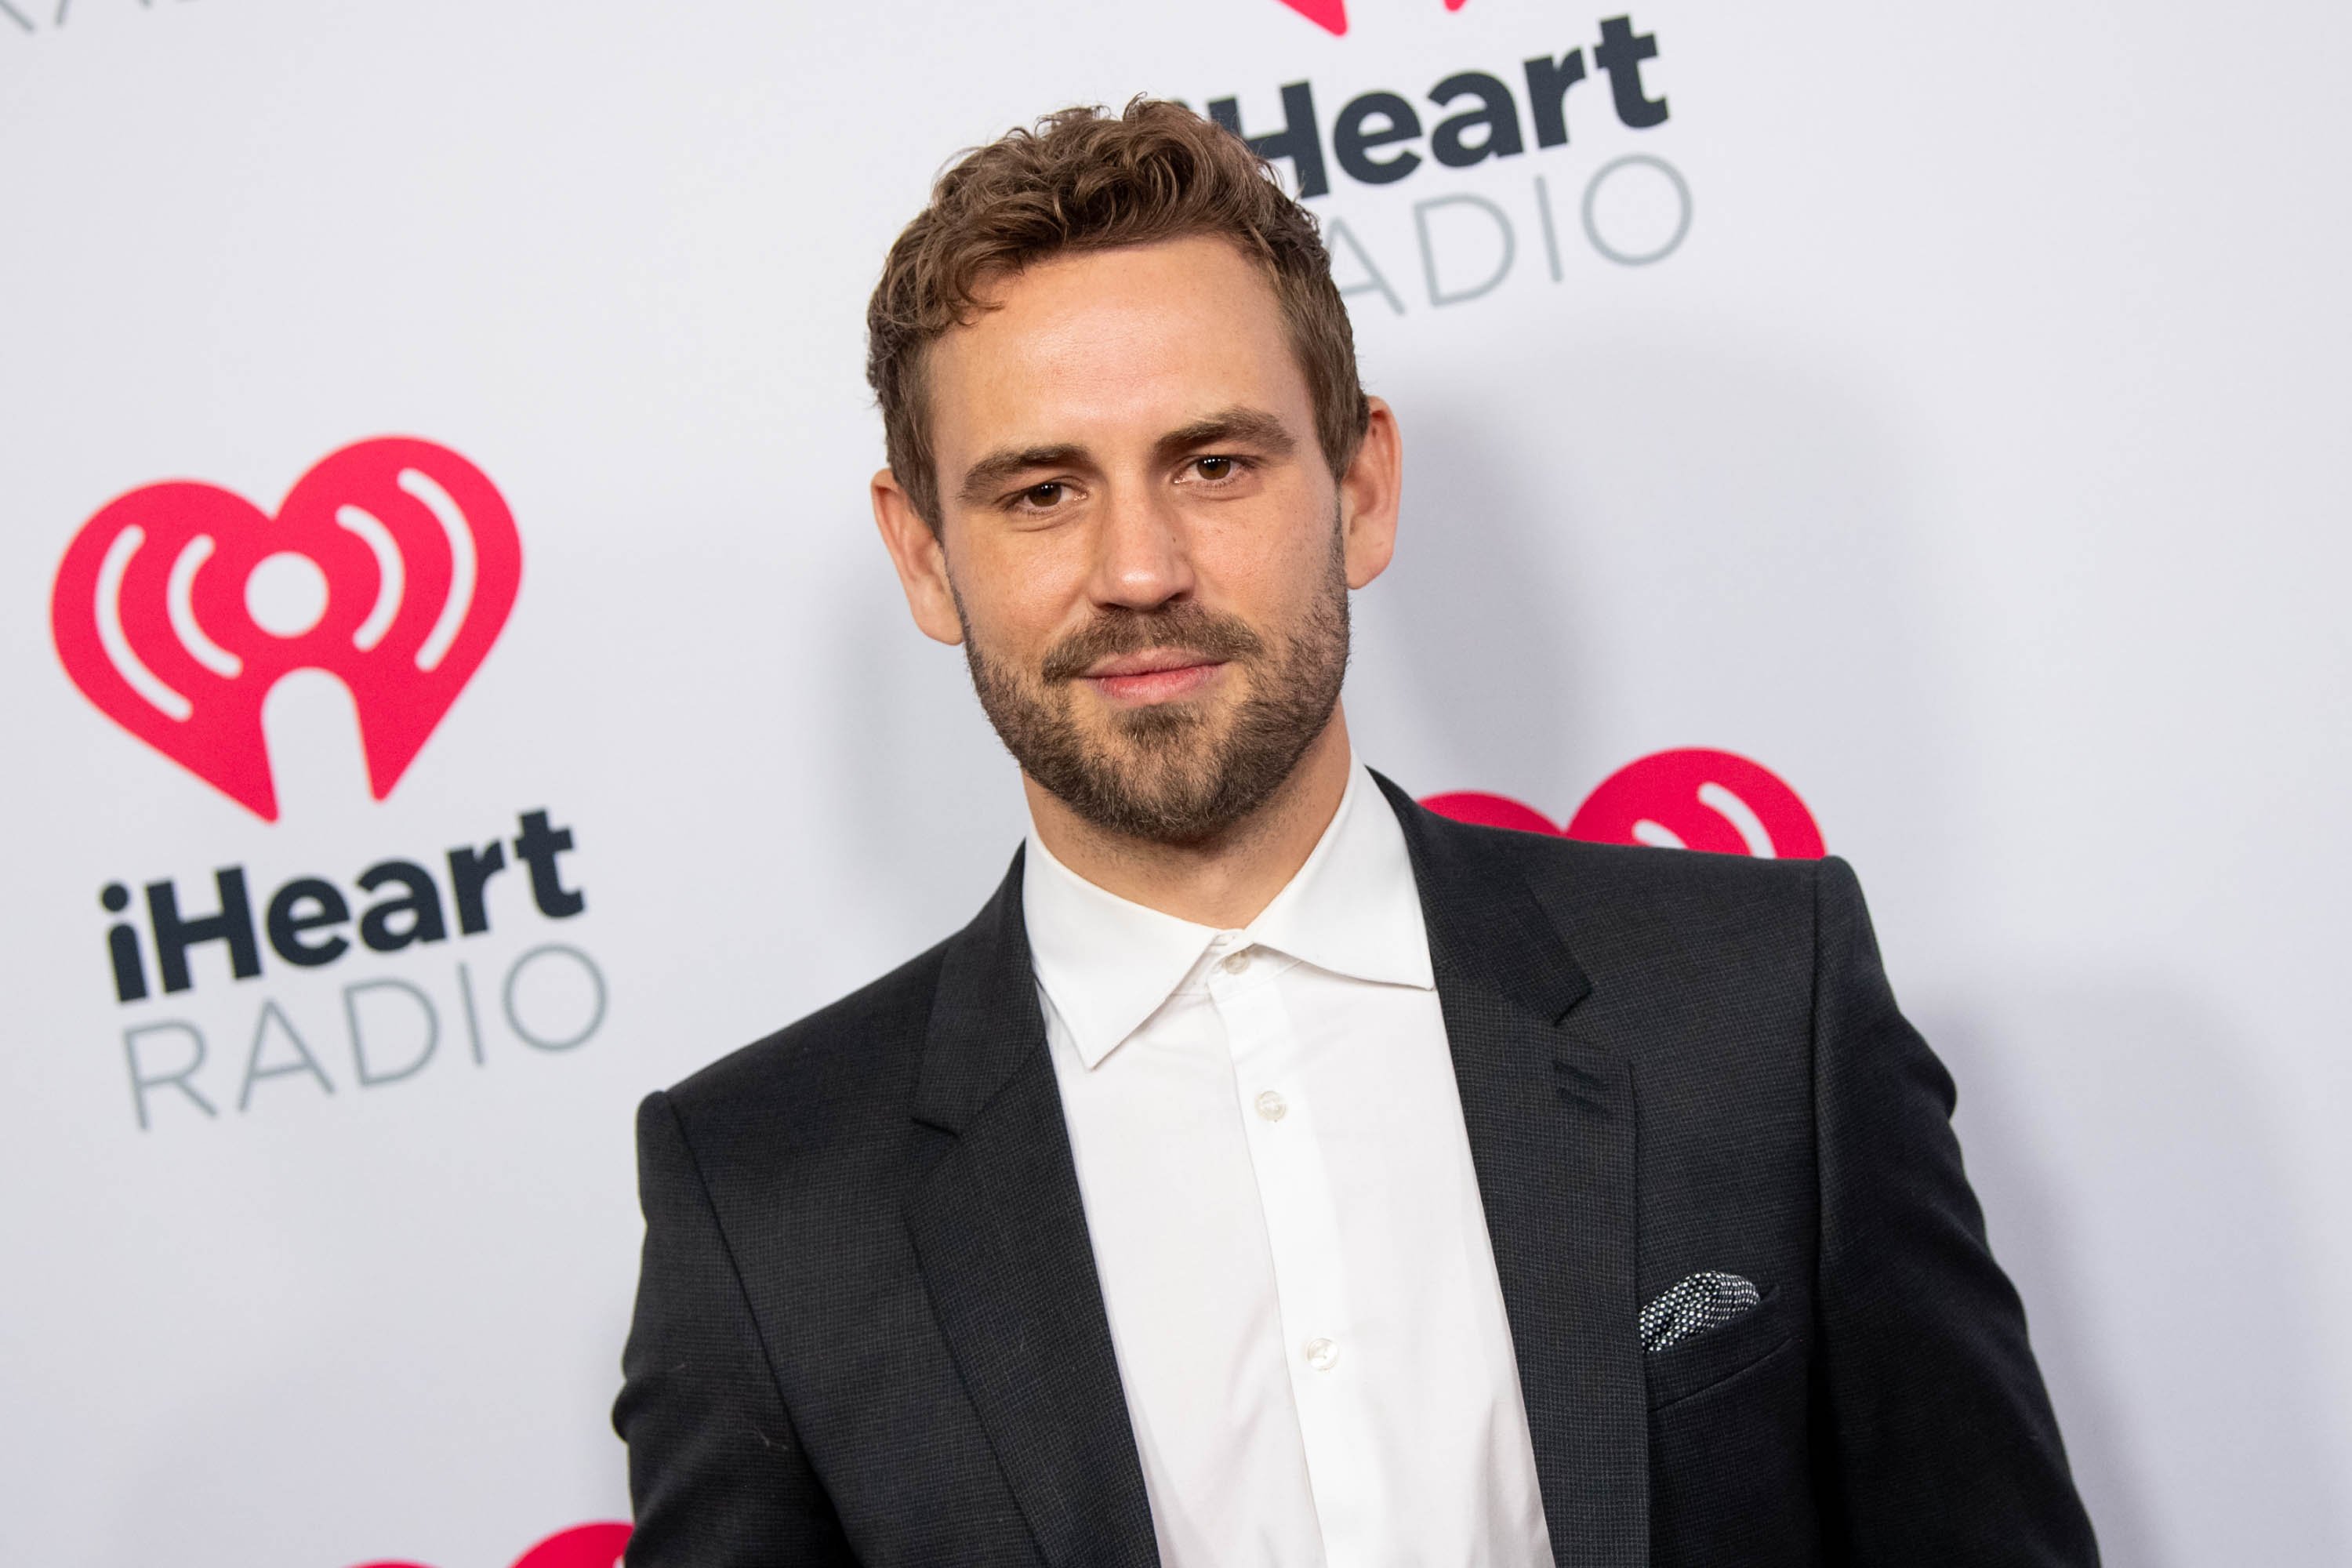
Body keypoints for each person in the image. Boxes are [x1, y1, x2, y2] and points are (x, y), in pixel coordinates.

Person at [612, 99, 2099, 1567]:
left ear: (1364, 488)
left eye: (1213, 463)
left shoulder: (1758, 1003)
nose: (1138, 569)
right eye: (1044, 490)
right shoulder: (762, 1197)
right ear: (926, 558)